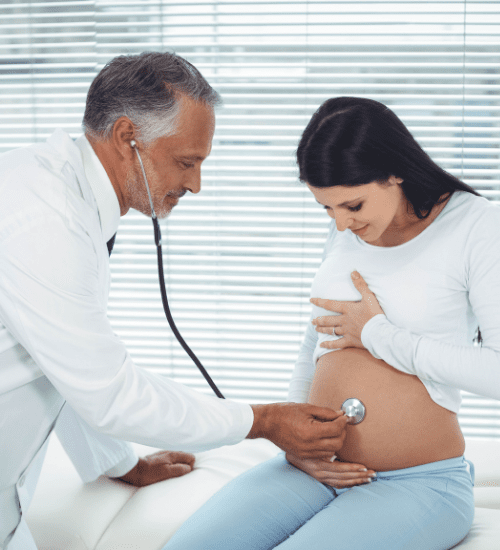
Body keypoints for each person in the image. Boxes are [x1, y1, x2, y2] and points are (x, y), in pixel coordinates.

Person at [0, 53, 349, 550]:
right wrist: (262, 420)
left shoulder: (61, 195)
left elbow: (59, 364)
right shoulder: (44, 221)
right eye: (187, 162)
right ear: (128, 138)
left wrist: (121, 464)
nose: (195, 184)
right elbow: (109, 393)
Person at [163, 97, 500, 550]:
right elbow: (316, 334)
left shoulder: (476, 226)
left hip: (417, 481)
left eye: (352, 205)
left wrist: (378, 335)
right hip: (316, 467)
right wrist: (296, 442)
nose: (341, 224)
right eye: (327, 209)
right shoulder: (353, 225)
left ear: (394, 171)